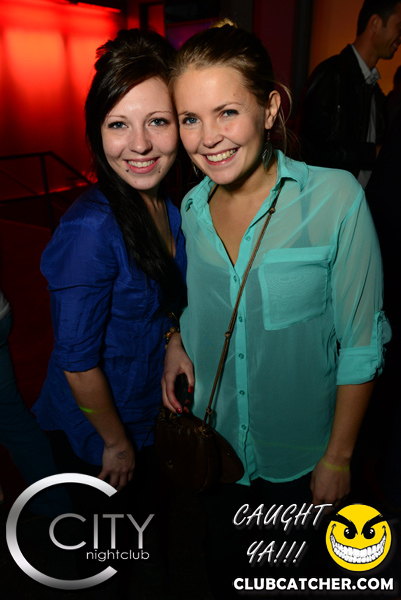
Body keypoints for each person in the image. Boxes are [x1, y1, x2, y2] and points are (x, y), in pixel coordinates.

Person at [161, 21, 391, 596]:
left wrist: (338, 457)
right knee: (222, 570)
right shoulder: (192, 208)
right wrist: (176, 339)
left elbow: (362, 343)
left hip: (301, 459)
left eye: (226, 112)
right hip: (217, 450)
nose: (207, 138)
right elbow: (199, 301)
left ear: (270, 109)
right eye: (190, 118)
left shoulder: (335, 199)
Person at [32, 29, 186, 593]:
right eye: (119, 124)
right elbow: (76, 363)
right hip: (98, 432)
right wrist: (115, 443)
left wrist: (173, 337)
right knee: (107, 562)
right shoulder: (90, 230)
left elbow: (166, 298)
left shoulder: (169, 206)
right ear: (97, 133)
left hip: (144, 413)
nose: (139, 145)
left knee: (140, 543)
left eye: (158, 121)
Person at [296, 0, 401, 188]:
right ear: (375, 23)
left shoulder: (374, 91)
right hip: (328, 200)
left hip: (355, 201)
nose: (400, 36)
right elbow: (309, 150)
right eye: (399, 26)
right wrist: (374, 153)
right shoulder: (331, 74)